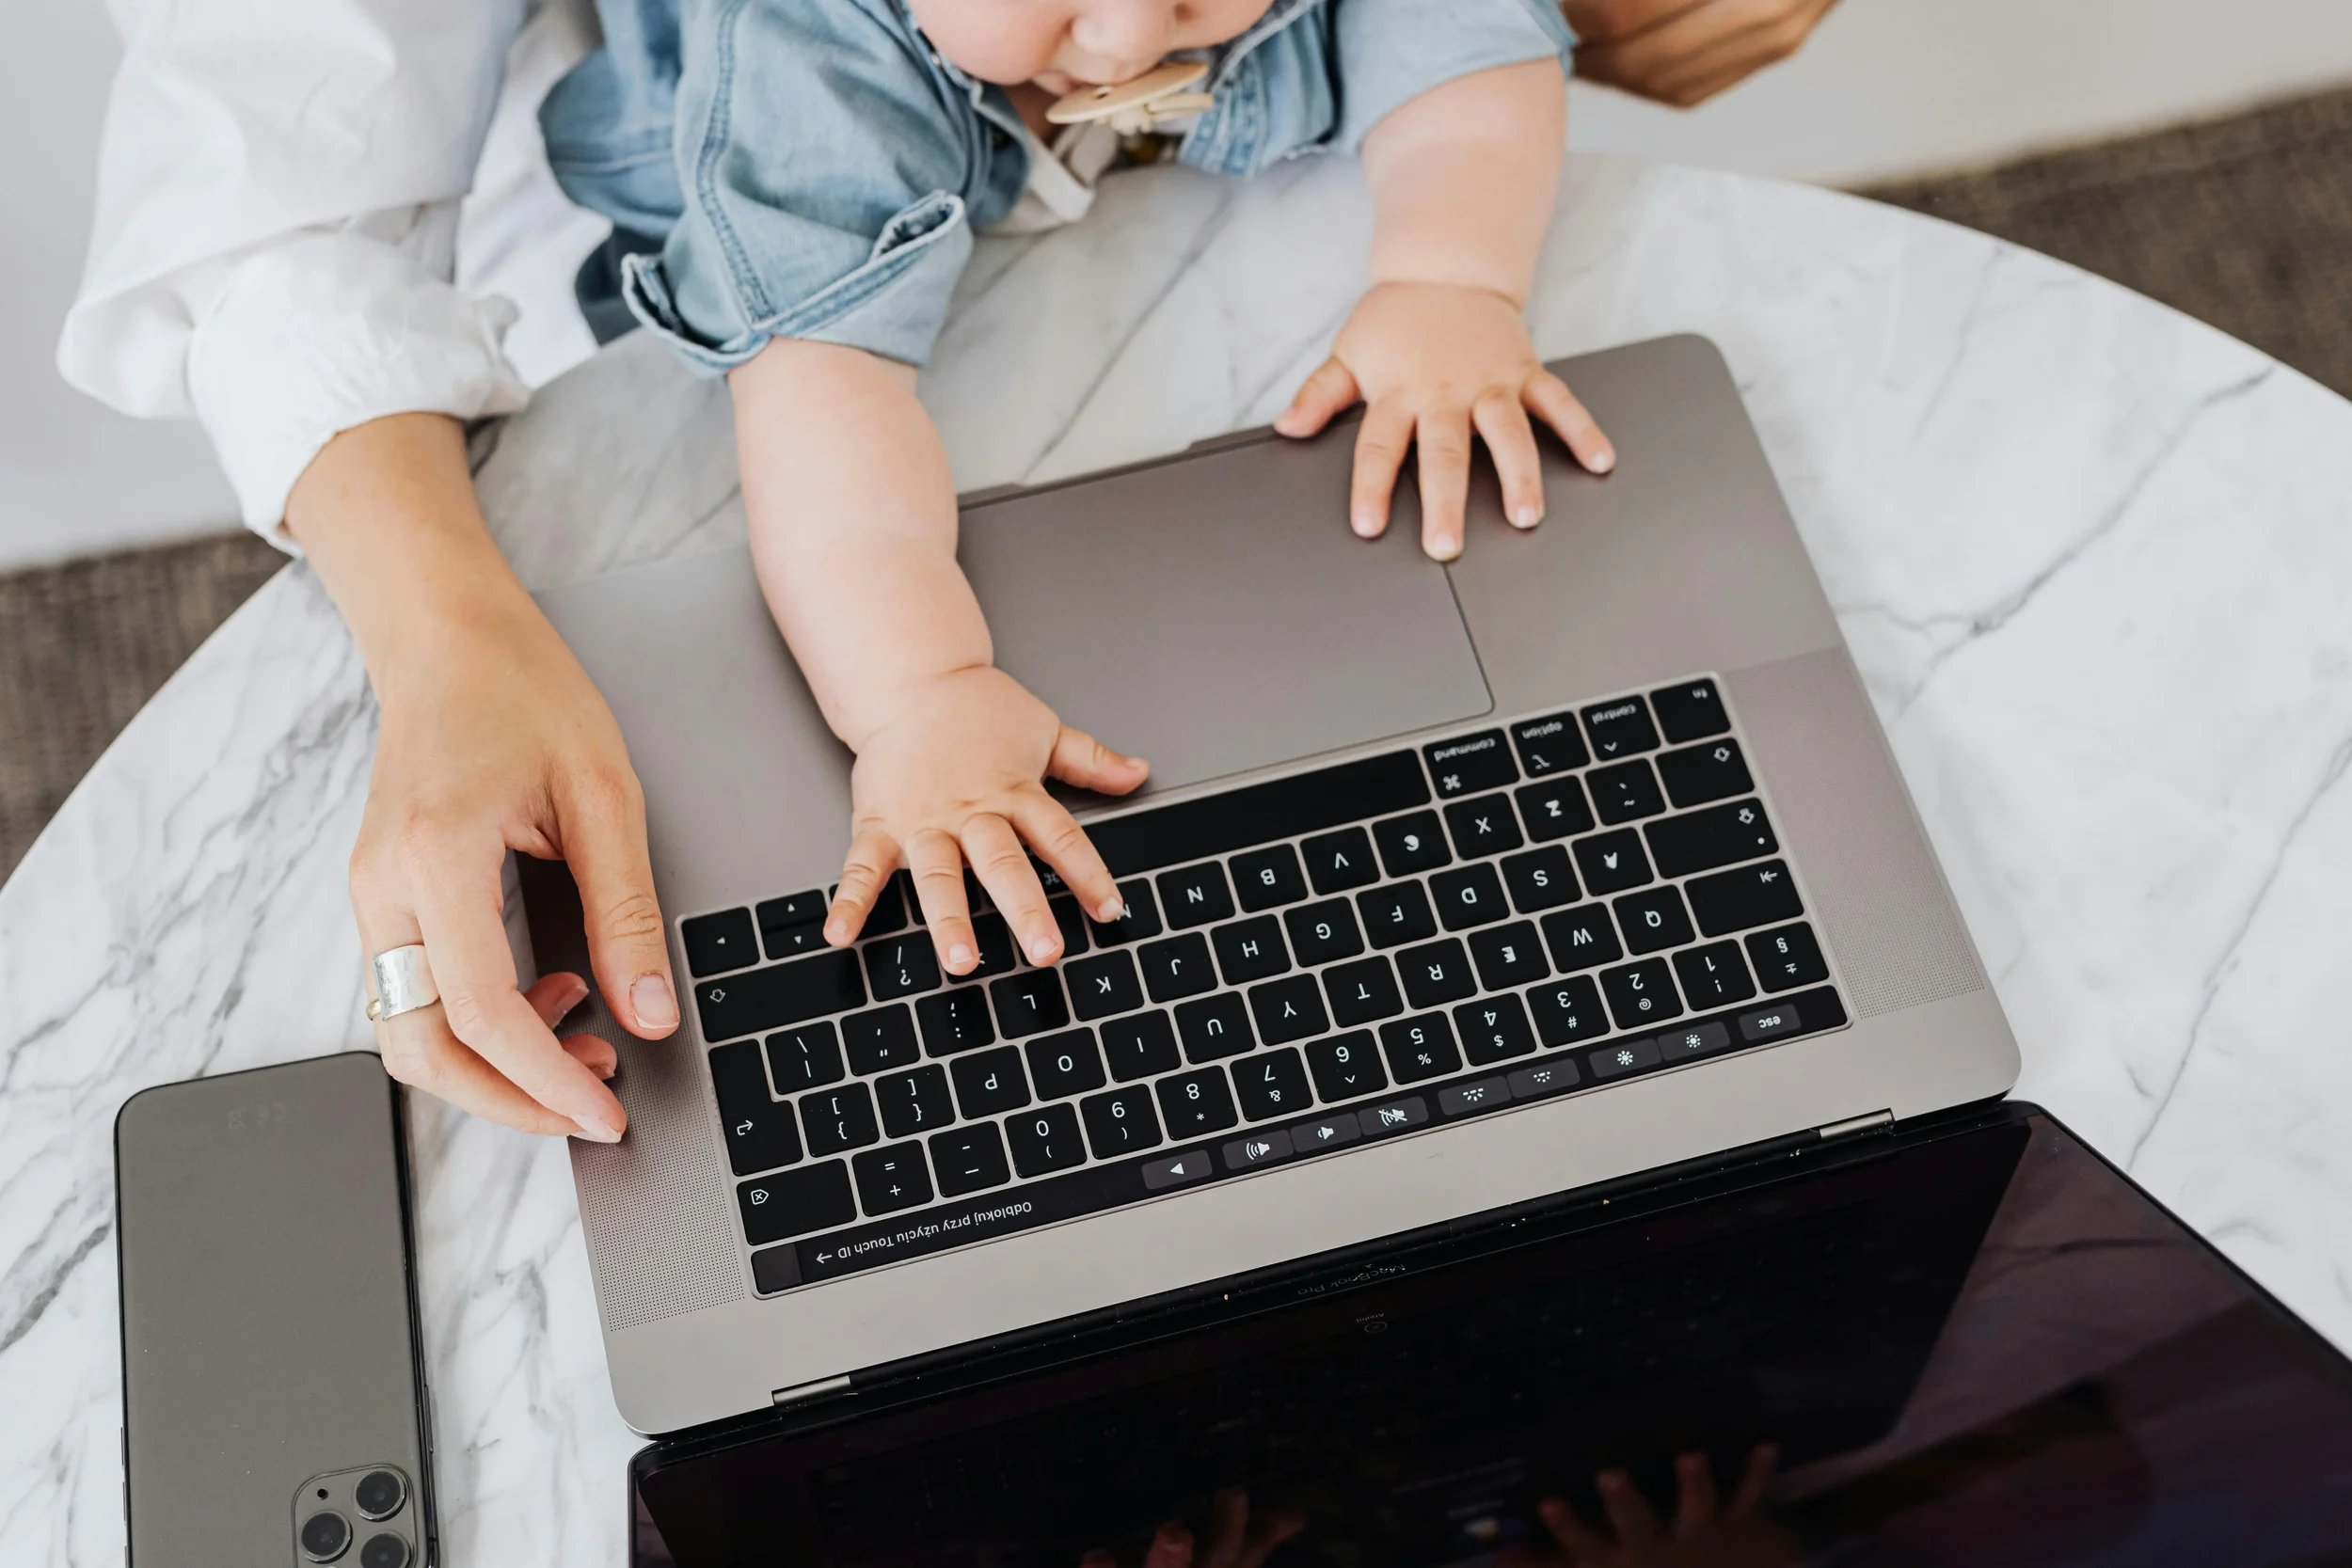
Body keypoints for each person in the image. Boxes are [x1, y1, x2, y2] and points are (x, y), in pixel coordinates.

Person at [59, 0, 1839, 1144]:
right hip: (699, 355)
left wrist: (1451, 278)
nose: (1138, 28)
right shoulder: (811, 69)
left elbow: (1470, 48)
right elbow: (820, 413)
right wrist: (918, 697)